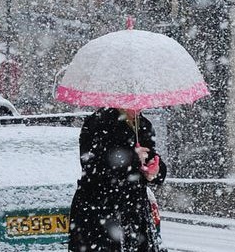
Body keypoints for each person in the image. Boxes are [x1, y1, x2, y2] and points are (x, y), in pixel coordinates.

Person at [69, 107, 167, 252]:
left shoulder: (144, 125)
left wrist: (155, 171)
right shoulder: (97, 122)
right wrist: (132, 158)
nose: (138, 108)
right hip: (99, 210)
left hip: (135, 211)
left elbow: (151, 158)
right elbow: (91, 166)